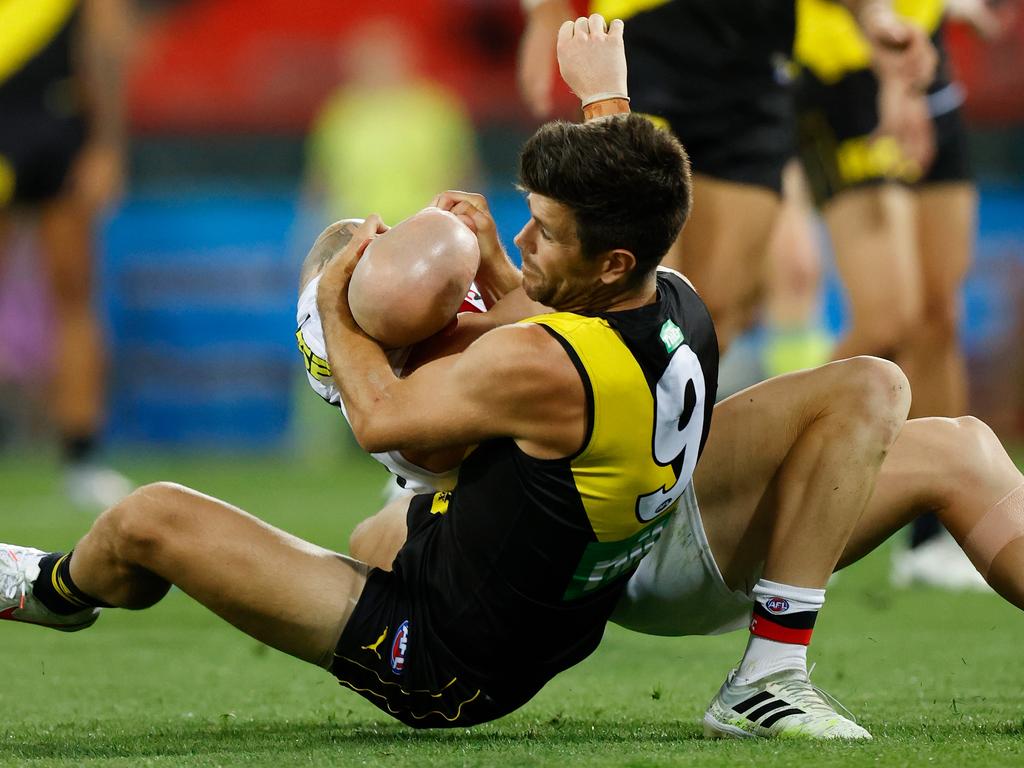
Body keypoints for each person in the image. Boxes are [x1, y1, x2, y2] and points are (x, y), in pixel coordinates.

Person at [2, 17, 1023, 743]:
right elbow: (624, 217)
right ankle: (759, 663)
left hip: (446, 660)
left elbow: (380, 417)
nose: (523, 236)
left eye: (543, 228)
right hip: (570, 583)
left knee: (154, 520)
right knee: (385, 525)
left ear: (611, 261)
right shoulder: (676, 295)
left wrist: (330, 300)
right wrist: (598, 111)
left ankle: (53, 591)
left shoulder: (540, 362)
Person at [518, 0, 938, 351]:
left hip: (757, 67)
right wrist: (544, 10)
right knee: (625, 297)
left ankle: (675, 438)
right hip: (645, 43)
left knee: (714, 313)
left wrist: (874, 17)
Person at [793, 0, 1006, 589]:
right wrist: (887, 62)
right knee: (889, 318)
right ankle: (780, 492)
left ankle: (936, 535)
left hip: (924, 62)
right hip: (843, 73)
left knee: (939, 315)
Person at [0, 0, 133, 508]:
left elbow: (106, 39)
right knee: (74, 299)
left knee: (74, 294)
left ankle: (81, 458)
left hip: (58, 122)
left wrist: (107, 145)